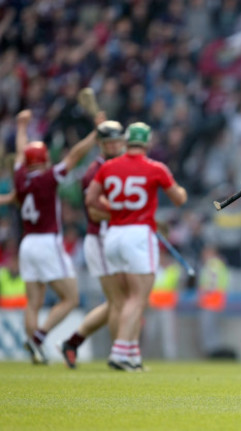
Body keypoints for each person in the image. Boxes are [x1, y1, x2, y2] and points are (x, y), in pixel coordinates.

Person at [86, 122, 187, 371]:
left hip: (112, 235)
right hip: (138, 235)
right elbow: (179, 199)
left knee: (124, 298)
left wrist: (115, 208)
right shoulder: (155, 168)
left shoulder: (108, 166)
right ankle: (120, 351)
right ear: (148, 142)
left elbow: (90, 199)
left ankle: (132, 355)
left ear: (126, 141)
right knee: (138, 298)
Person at [13, 109, 103, 365]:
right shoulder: (47, 177)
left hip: (27, 243)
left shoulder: (20, 176)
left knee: (33, 302)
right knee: (71, 298)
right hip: (47, 241)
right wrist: (95, 133)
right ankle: (38, 338)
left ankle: (36, 350)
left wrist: (21, 127)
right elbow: (74, 156)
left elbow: (20, 152)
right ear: (44, 160)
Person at [58, 120, 126, 369]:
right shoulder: (92, 172)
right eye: (109, 142)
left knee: (120, 301)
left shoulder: (122, 167)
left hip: (118, 239)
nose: (115, 145)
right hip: (100, 239)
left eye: (118, 140)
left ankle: (73, 342)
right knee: (120, 302)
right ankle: (121, 356)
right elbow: (94, 213)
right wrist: (128, 214)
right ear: (100, 144)